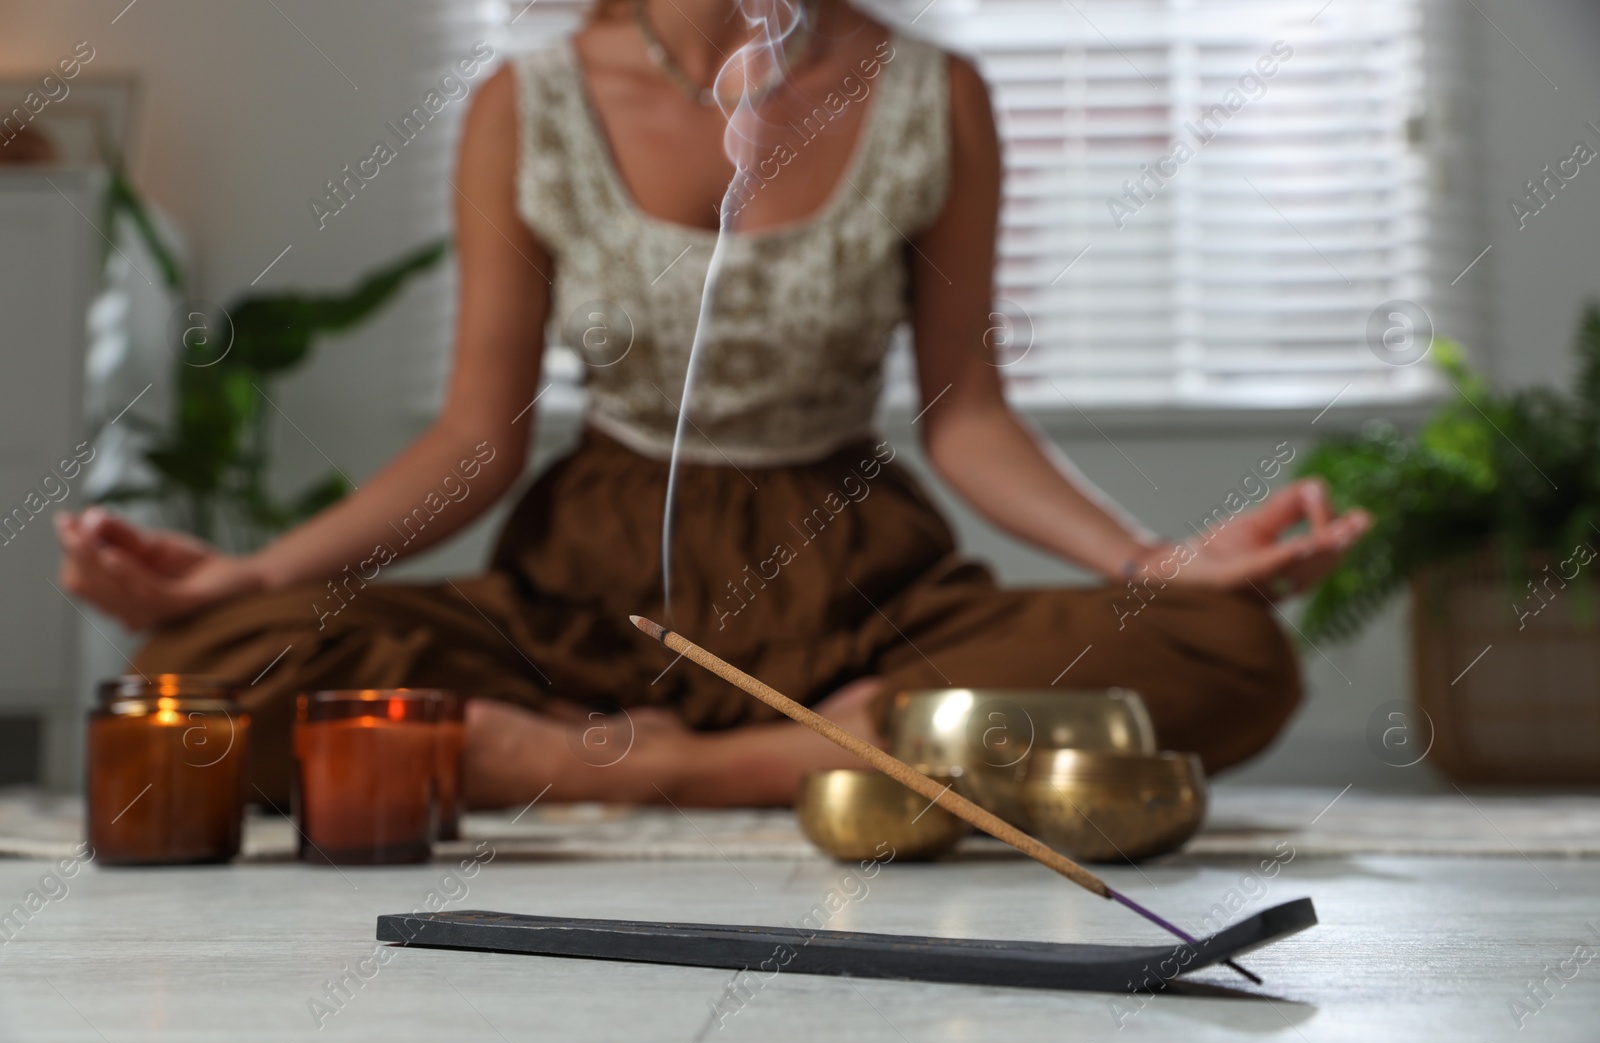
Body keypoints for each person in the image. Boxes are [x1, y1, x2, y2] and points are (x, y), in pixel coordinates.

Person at [55, 0, 1369, 811]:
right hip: (586, 603)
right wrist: (244, 580)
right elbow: (476, 440)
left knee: (1231, 660)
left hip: (863, 592)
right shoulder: (530, 103)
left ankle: (692, 765)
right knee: (201, 682)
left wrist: (1157, 566)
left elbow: (968, 417)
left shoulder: (934, 93)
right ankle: (783, 763)